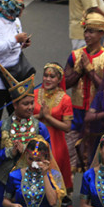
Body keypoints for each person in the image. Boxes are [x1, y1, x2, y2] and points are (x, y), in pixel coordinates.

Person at [0, 68, 50, 207]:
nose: (30, 107)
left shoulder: (40, 128)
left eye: (32, 103)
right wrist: (10, 152)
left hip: (33, 183)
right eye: (25, 103)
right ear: (15, 105)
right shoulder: (1, 127)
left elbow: (49, 156)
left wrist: (29, 157)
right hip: (4, 180)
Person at [65, 13, 104, 172]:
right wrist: (79, 70)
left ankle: (92, 192)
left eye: (91, 31)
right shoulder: (75, 55)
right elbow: (65, 83)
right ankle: (66, 193)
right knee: (70, 157)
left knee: (95, 159)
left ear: (101, 33)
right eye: (85, 31)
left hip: (96, 113)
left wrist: (90, 70)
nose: (87, 35)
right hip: (75, 111)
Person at [34, 63, 74, 193]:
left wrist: (48, 117)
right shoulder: (34, 94)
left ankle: (54, 196)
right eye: (45, 76)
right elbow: (24, 117)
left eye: (52, 77)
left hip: (55, 141)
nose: (48, 79)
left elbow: (67, 127)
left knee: (52, 168)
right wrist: (39, 116)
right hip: (35, 137)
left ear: (59, 80)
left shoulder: (65, 99)